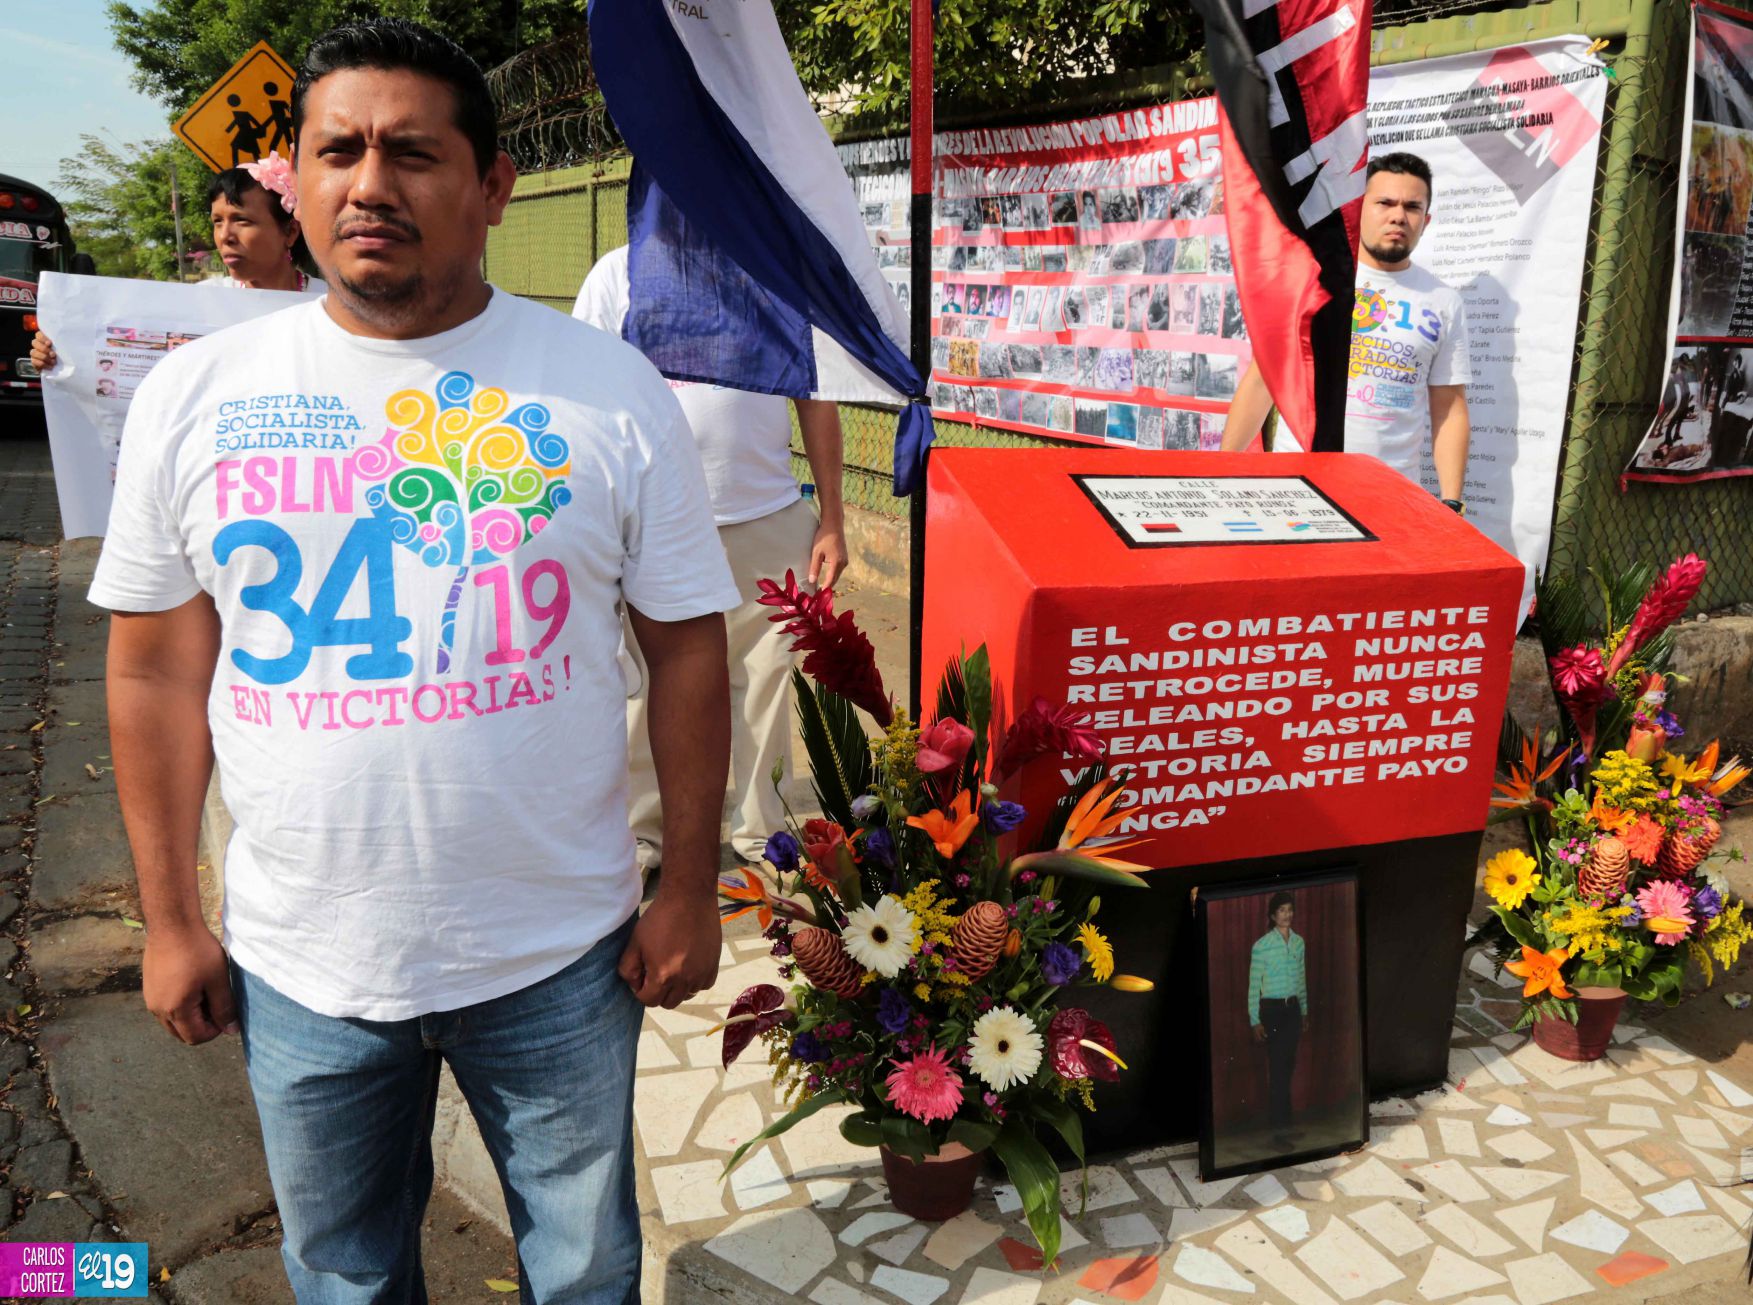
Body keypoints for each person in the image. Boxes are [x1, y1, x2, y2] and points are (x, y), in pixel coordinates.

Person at [91, 18, 739, 1301]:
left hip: (558, 956)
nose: (369, 185)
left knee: (586, 1270)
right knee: (344, 1274)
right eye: (336, 152)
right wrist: (170, 920)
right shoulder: (196, 396)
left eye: (413, 154)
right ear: (296, 181)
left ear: (492, 186)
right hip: (304, 967)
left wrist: (689, 887)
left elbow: (686, 654)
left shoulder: (609, 393)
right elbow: (155, 673)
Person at [574, 244, 850, 867]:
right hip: (654, 524)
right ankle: (644, 837)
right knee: (646, 687)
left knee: (766, 687)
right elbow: (584, 401)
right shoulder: (618, 275)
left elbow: (814, 396)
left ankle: (764, 839)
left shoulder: (773, 270)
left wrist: (832, 518)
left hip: (768, 519)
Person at [1220, 152, 1472, 517]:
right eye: (1385, 203)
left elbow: (1448, 405)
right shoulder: (1311, 283)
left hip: (1391, 503)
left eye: (1412, 207)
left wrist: (1451, 501)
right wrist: (1222, 472)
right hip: (1297, 495)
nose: (1398, 216)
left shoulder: (1443, 302)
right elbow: (1263, 380)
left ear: (1426, 220)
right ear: (1357, 208)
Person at [29, 168, 320, 375]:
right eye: (217, 221)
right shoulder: (198, 303)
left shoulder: (331, 304)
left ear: (290, 231)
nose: (225, 236)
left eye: (242, 220)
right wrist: (62, 354)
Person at [1248, 890, 1308, 1150]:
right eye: (1282, 910)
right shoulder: (1261, 946)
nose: (1287, 914)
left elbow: (1301, 979)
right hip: (1271, 1012)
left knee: (1288, 1068)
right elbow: (1254, 986)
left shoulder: (1298, 943)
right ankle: (1278, 1135)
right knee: (1278, 1072)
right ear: (1273, 915)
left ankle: (1287, 1126)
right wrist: (1255, 1020)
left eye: (1290, 910)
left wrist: (1304, 1011)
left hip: (1292, 1010)